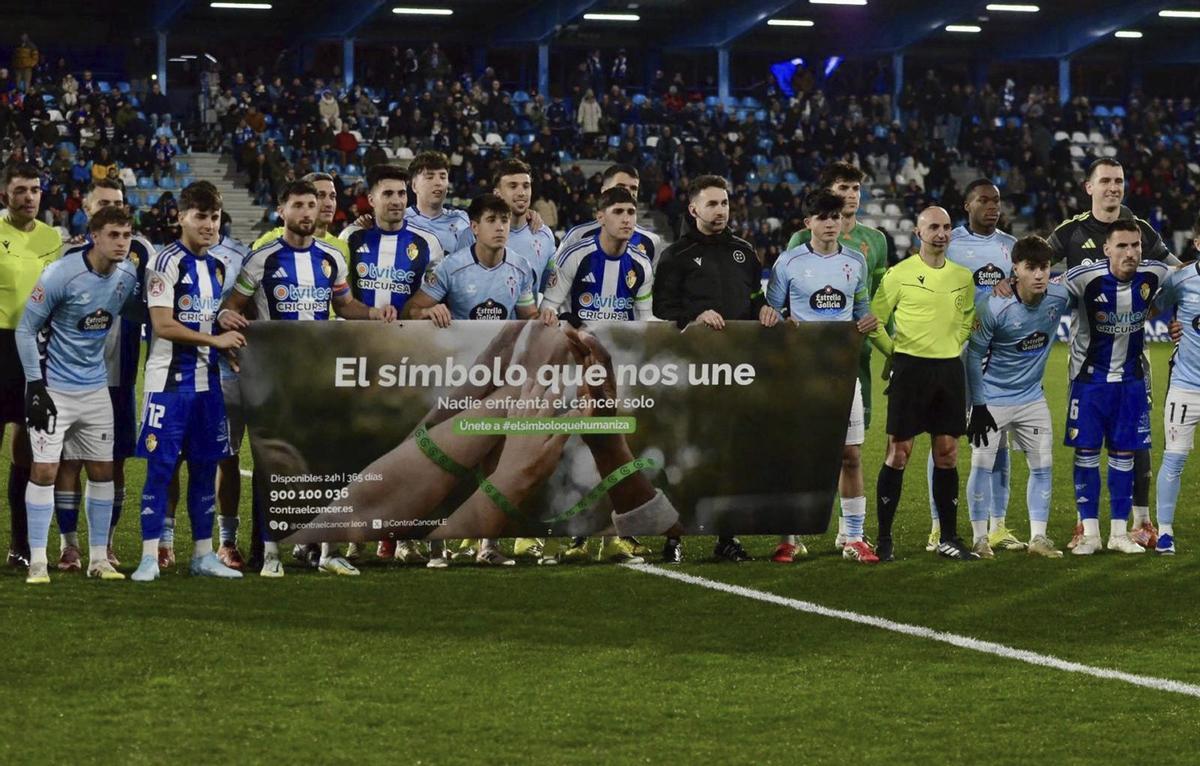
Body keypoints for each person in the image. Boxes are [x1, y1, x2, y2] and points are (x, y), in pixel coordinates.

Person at [220, 179, 398, 577]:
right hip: (272, 381)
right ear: (281, 211)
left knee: (327, 462)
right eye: (298, 205)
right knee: (274, 465)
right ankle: (269, 555)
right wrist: (226, 321)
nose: (307, 212)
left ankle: (328, 553)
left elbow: (345, 304)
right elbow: (233, 306)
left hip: (318, 375)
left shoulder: (330, 259)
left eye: (312, 204)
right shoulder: (262, 258)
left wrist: (374, 314)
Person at [1047, 158, 1177, 550]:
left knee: (1136, 442)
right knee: (1086, 441)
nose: (1113, 187)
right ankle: (1085, 526)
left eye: (1118, 181)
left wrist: (1172, 313)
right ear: (1089, 187)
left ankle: (1142, 521)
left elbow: (1177, 274)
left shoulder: (1143, 232)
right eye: (1105, 181)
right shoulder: (1070, 232)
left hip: (1134, 362)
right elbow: (1039, 268)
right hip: (1086, 361)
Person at [403, 193, 538, 568]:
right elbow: (412, 309)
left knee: (495, 459)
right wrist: (431, 311)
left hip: (499, 378)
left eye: (505, 221)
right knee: (446, 459)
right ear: (474, 227)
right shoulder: (449, 268)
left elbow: (526, 314)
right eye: (492, 220)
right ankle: (436, 545)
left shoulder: (522, 267)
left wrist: (542, 319)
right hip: (455, 376)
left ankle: (487, 546)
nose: (500, 227)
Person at [15, 207, 139, 583]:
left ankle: (98, 559)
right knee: (45, 469)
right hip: (55, 390)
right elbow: (25, 329)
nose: (121, 242)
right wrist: (35, 386)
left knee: (104, 472)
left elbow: (138, 311)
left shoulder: (127, 275)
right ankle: (38, 560)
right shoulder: (60, 275)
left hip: (96, 388)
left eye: (126, 235)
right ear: (94, 237)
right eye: (114, 235)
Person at [652, 174, 772, 563]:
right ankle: (673, 537)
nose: (720, 210)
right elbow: (661, 310)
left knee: (730, 451)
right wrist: (695, 315)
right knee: (685, 452)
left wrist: (765, 310)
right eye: (712, 204)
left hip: (736, 367)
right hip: (690, 368)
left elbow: (754, 300)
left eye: (724, 203)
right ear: (693, 209)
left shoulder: (743, 251)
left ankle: (727, 536)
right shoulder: (676, 256)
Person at [131, 183, 247, 582]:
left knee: (204, 467)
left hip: (208, 383)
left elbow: (203, 317)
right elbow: (163, 325)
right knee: (161, 469)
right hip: (168, 383)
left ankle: (201, 555)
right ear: (182, 216)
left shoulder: (216, 266)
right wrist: (215, 339)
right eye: (200, 217)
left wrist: (223, 343)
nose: (209, 225)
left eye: (214, 217)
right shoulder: (165, 263)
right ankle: (149, 556)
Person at [765, 190, 886, 564]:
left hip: (842, 371)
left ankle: (853, 537)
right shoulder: (788, 262)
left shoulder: (855, 262)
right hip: (801, 372)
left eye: (835, 216)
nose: (831, 223)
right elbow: (772, 308)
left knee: (850, 455)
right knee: (796, 455)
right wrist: (775, 317)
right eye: (822, 217)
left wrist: (867, 322)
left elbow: (862, 310)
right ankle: (790, 538)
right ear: (808, 224)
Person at [540, 186, 652, 565]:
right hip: (576, 367)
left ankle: (617, 537)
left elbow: (646, 321)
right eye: (618, 211)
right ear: (600, 216)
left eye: (631, 212)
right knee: (578, 449)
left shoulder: (641, 264)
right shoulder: (576, 256)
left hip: (621, 369)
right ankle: (577, 536)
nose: (626, 219)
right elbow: (549, 312)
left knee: (616, 448)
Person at [52, 180, 153, 572]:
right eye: (104, 204)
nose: (114, 208)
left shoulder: (141, 250)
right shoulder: (69, 254)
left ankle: (106, 544)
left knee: (113, 462)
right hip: (70, 377)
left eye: (119, 203)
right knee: (68, 462)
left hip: (120, 375)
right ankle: (69, 544)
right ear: (89, 211)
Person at [870, 206, 977, 562]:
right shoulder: (899, 275)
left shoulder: (963, 276)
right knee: (898, 454)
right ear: (919, 233)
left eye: (947, 227)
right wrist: (895, 354)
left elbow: (966, 318)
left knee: (947, 454)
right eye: (934, 227)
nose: (941, 233)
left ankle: (949, 537)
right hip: (911, 370)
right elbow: (875, 321)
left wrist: (955, 343)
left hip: (948, 371)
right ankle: (884, 538)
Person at [1061, 220, 1170, 555]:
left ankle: (1119, 534)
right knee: (1087, 454)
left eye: (1136, 245)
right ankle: (1090, 533)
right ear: (1106, 249)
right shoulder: (1084, 278)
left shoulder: (1154, 274)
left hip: (1130, 383)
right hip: (1090, 382)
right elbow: (1045, 292)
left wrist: (1178, 322)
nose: (1131, 253)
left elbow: (1186, 284)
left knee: (1125, 455)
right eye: (1122, 246)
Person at [926, 179, 1020, 553]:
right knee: (944, 439)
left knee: (998, 442)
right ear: (967, 205)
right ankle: (938, 526)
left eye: (996, 200)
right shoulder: (950, 244)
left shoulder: (1011, 247)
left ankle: (998, 526)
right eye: (983, 200)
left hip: (999, 357)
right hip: (954, 352)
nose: (992, 206)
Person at [964, 236, 1069, 559]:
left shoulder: (1060, 294)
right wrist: (978, 405)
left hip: (1031, 398)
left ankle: (1038, 538)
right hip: (992, 398)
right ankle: (980, 539)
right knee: (981, 465)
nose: (1039, 275)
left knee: (1043, 466)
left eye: (1044, 268)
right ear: (1016, 269)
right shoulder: (994, 306)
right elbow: (972, 355)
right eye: (1031, 268)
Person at [0, 162, 63, 568]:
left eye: (35, 190)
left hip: (33, 351)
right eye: (20, 190)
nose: (28, 197)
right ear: (5, 194)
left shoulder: (51, 237)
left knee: (26, 447)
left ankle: (20, 545)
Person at [1151, 257, 1200, 555]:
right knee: (1174, 458)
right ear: (1196, 242)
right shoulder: (1180, 280)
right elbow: (1151, 308)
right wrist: (1173, 327)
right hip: (1185, 386)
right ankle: (1165, 532)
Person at [558, 164, 664, 265]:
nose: (628, 193)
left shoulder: (651, 241)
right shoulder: (578, 236)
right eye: (620, 187)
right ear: (604, 191)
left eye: (633, 188)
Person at [405, 150, 473, 254]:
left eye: (443, 177)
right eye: (430, 177)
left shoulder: (461, 220)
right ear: (414, 186)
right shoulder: (400, 220)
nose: (438, 182)